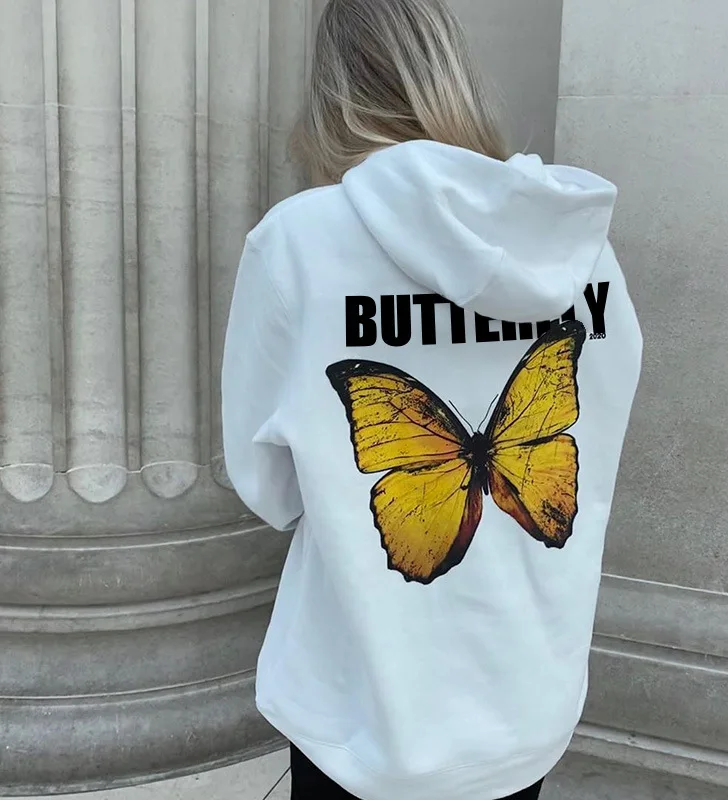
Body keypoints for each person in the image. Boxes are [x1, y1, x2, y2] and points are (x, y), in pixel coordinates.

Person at [221, 0, 642, 797]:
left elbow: (268, 488)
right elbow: (602, 435)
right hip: (526, 700)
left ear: (334, 93)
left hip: (362, 709)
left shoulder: (300, 241)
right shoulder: (582, 249)